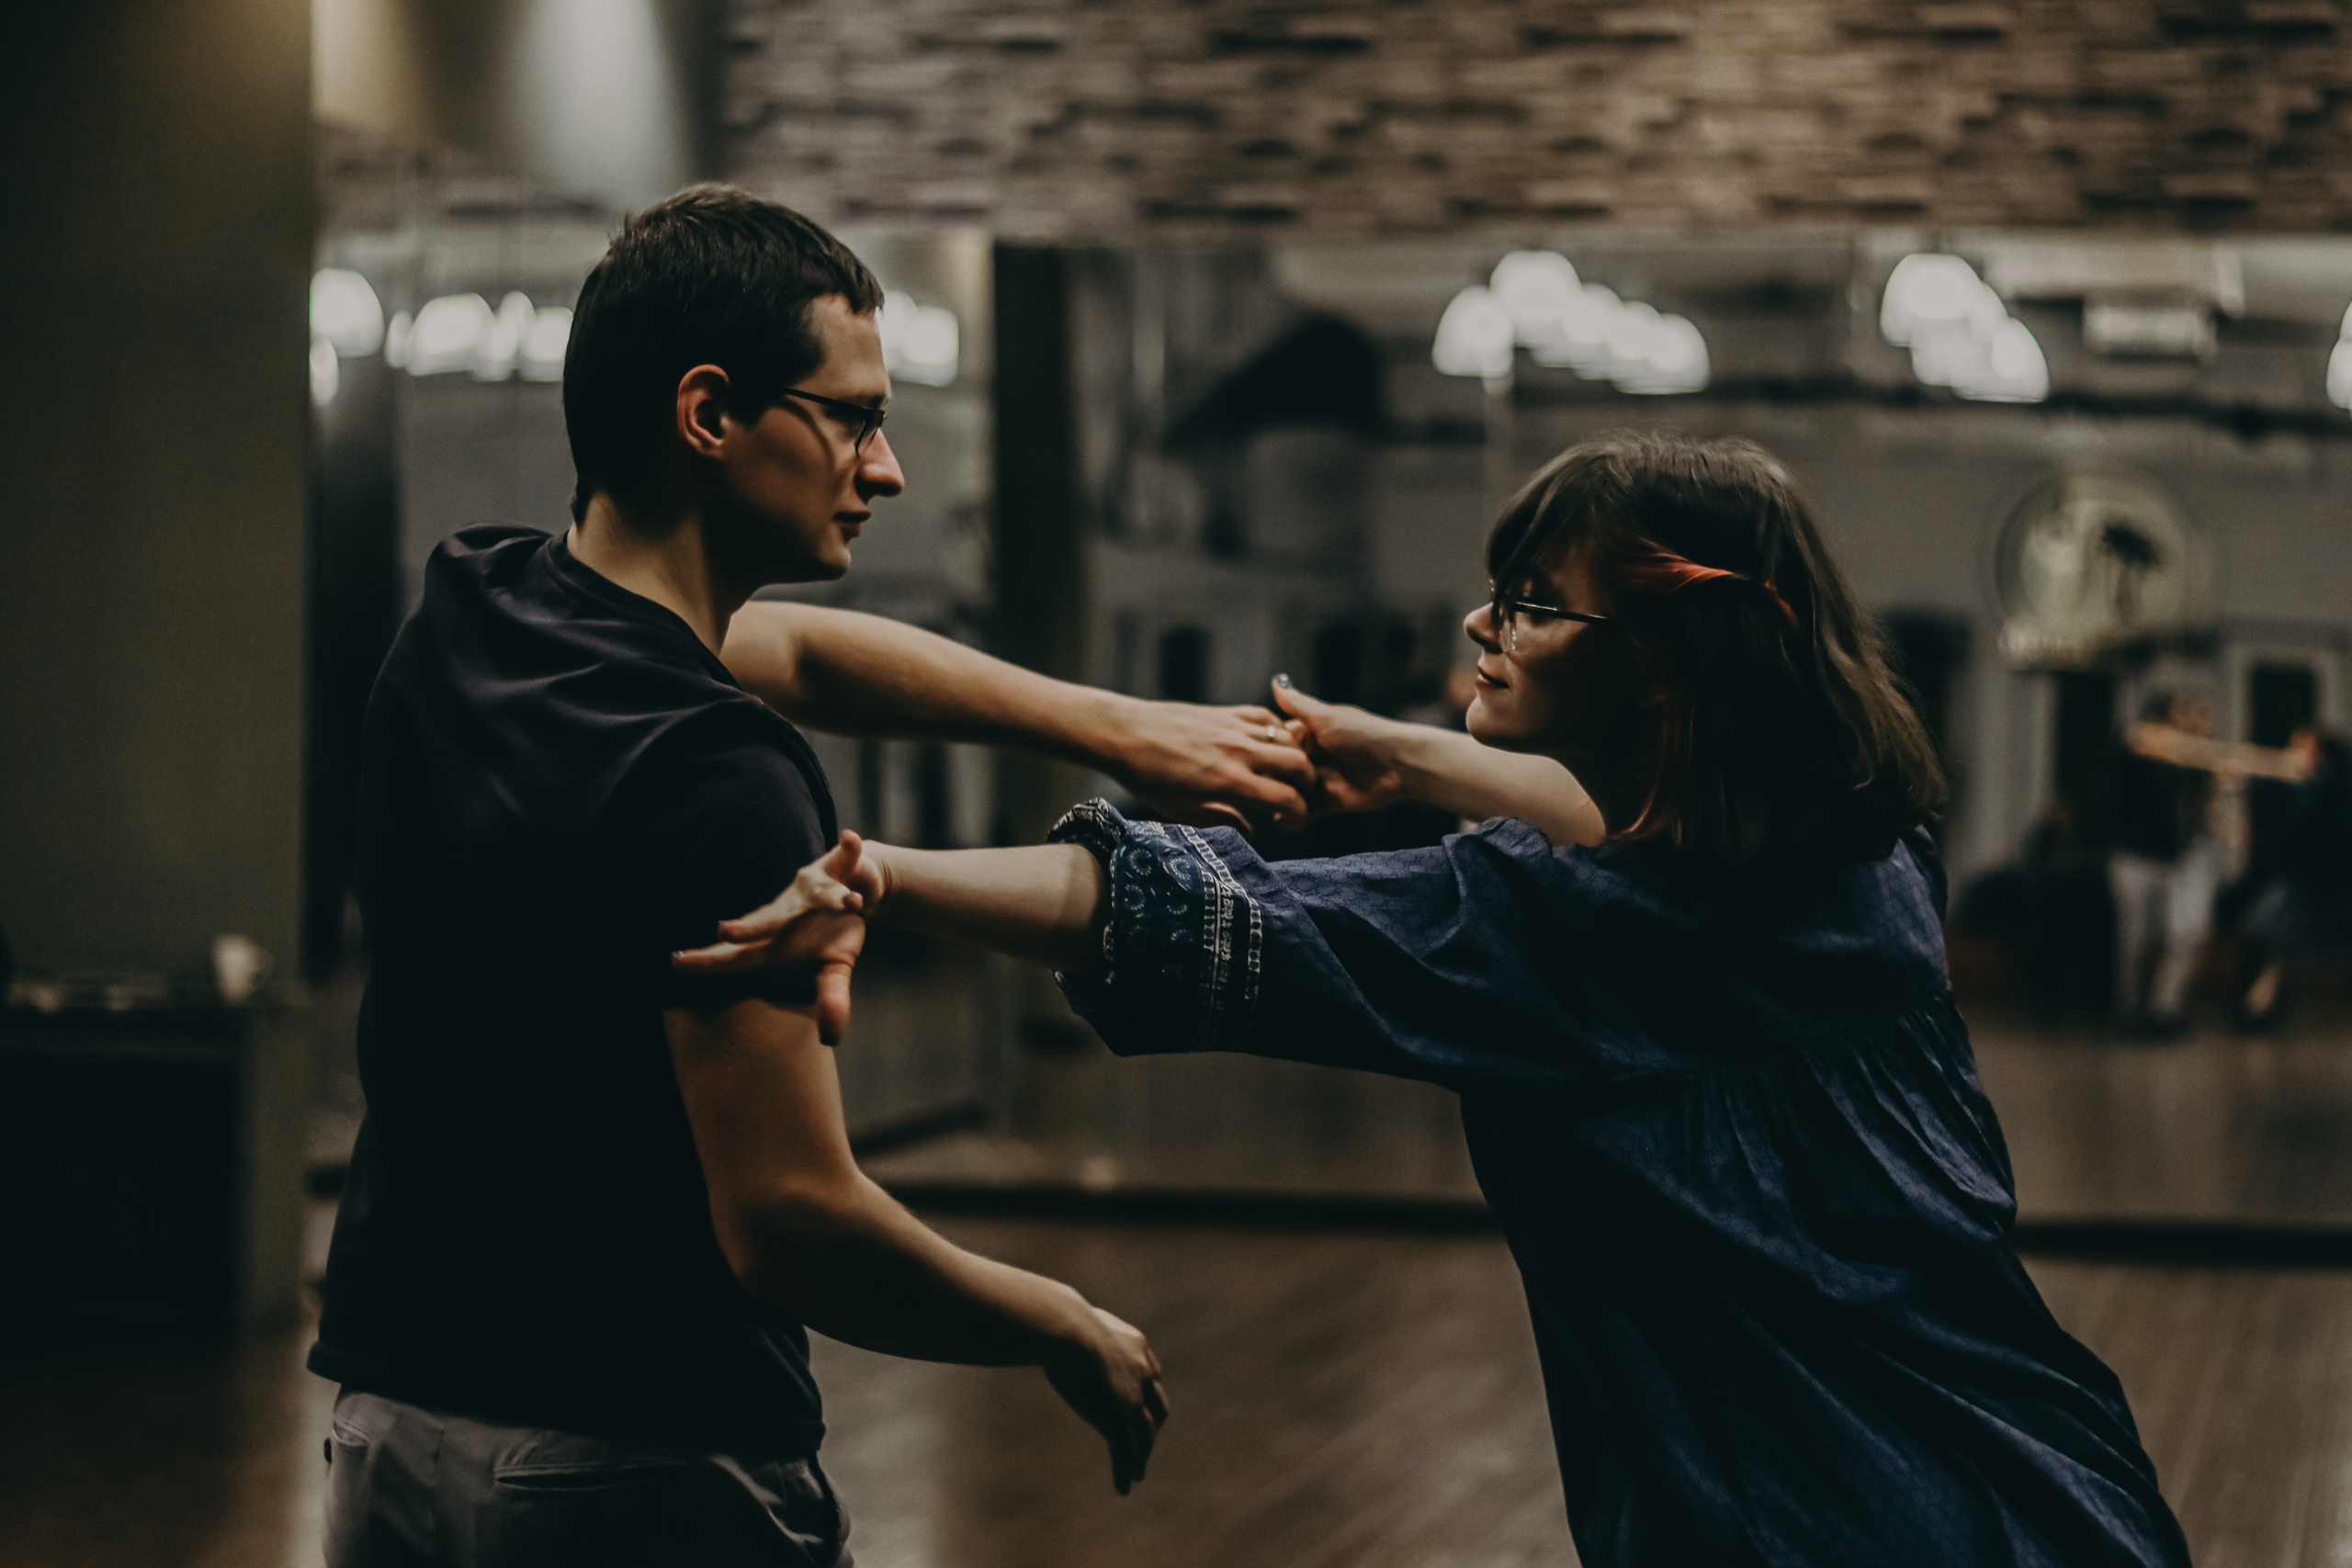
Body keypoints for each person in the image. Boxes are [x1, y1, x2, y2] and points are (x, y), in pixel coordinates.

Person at [685, 434, 2192, 1566]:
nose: (1486, 626)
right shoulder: (1870, 864)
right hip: (2054, 1490)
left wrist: (877, 873)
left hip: (1810, 1520)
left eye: (1534, 607)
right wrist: (1421, 757)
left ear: (1662, 664)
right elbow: (1635, 820)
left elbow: (1182, 906)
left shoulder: (1555, 935)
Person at [312, 185, 1328, 1566]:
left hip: (392, 1432)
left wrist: (1118, 724)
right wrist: (1052, 1315)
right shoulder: (720, 778)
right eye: (852, 414)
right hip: (626, 1463)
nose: (887, 464)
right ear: (710, 413)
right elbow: (791, 1219)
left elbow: (803, 653)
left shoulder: (477, 613)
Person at [2109, 694, 2309, 1035]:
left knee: (2190, 931)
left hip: (2179, 858)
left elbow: (2209, 795)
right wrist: (2279, 762)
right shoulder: (2143, 736)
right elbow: (2195, 752)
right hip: (2136, 856)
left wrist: (2229, 825)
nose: (2199, 726)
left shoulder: (2194, 765)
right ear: (2169, 718)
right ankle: (2128, 1008)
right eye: (2190, 717)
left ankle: (2165, 1009)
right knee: (2134, 939)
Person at [2235, 727, 2352, 1025]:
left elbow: (2306, 795)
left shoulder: (2329, 781)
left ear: (2318, 750)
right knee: (2268, 935)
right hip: (2306, 878)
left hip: (2320, 881)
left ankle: (2259, 1005)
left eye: (2300, 745)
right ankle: (2258, 1005)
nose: (2291, 751)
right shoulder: (2313, 782)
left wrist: (2256, 772)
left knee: (2269, 931)